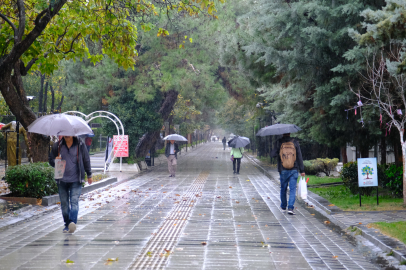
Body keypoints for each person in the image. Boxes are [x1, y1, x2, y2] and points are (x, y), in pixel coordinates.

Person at [49, 136, 92, 233]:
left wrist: (89, 174)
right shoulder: (58, 145)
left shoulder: (80, 145)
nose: (67, 134)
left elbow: (86, 160)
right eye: (65, 133)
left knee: (74, 201)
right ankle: (67, 224)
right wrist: (55, 160)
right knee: (64, 204)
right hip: (61, 180)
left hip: (76, 180)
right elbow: (50, 160)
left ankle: (72, 223)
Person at [271, 133, 305, 215]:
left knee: (283, 188)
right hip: (294, 169)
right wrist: (302, 170)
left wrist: (279, 153)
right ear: (289, 133)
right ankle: (290, 207)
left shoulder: (279, 142)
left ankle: (283, 206)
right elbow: (299, 156)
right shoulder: (295, 142)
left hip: (283, 169)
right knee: (293, 189)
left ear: (282, 133)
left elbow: (272, 155)